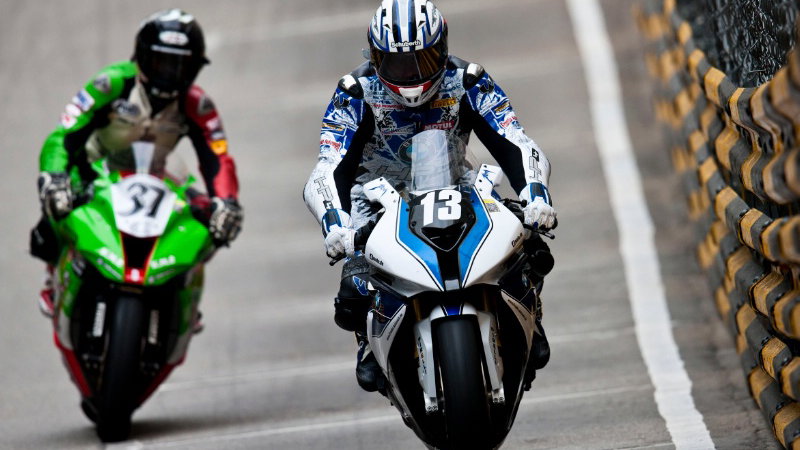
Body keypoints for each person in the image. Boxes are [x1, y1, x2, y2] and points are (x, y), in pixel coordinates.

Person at [303, 0, 557, 393]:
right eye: (398, 64)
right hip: (374, 198)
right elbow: (329, 165)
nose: (412, 75)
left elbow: (514, 140)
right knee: (353, 289)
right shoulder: (354, 92)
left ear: (442, 50)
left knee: (529, 244)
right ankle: (368, 342)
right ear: (375, 57)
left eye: (422, 60)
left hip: (458, 183)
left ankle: (530, 313)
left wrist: (535, 194)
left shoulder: (469, 80)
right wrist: (335, 223)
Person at [31, 9, 243, 319]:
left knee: (215, 222)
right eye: (161, 62)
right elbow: (65, 134)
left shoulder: (198, 105)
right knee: (54, 211)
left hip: (157, 176)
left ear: (195, 68)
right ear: (142, 56)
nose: (169, 74)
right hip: (95, 171)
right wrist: (54, 175)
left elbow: (218, 156)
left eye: (180, 66)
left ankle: (185, 294)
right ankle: (54, 277)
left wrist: (226, 201)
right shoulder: (110, 84)